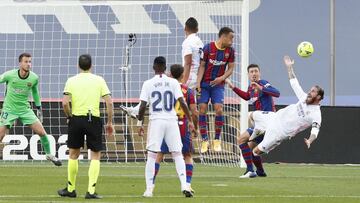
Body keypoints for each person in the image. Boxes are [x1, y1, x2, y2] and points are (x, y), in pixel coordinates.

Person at [120, 17, 202, 118]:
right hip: (195, 76)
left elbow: (188, 63)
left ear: (185, 28)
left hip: (188, 77)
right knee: (167, 84)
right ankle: (136, 109)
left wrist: (183, 82)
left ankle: (137, 110)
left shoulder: (188, 42)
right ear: (197, 29)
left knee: (162, 87)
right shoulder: (199, 42)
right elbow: (199, 63)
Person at [137, 57, 195, 198]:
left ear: (153, 67)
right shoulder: (173, 82)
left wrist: (140, 123)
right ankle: (184, 185)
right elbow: (182, 102)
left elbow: (143, 106)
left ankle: (149, 189)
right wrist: (190, 120)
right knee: (178, 154)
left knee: (152, 155)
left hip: (156, 120)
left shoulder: (148, 83)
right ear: (165, 68)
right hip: (171, 121)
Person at [58, 54, 114, 199]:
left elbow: (64, 102)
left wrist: (69, 117)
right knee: (95, 155)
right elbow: (109, 102)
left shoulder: (71, 80)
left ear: (78, 65)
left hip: (76, 119)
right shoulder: (99, 80)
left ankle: (71, 189)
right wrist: (109, 122)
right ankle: (90, 191)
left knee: (73, 154)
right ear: (91, 65)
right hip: (93, 119)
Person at [250, 55, 323, 158]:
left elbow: (315, 131)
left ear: (319, 97)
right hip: (275, 117)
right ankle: (258, 130)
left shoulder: (316, 115)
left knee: (256, 152)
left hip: (279, 132)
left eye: (313, 92)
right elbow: (294, 82)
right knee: (250, 115)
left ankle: (260, 140)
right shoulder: (304, 97)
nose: (309, 93)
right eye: (310, 90)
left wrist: (310, 140)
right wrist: (289, 67)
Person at [0, 53, 61, 166]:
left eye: (29, 62)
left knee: (42, 132)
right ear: (20, 63)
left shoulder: (34, 78)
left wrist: (38, 107)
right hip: (9, 109)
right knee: (1, 135)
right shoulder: (9, 75)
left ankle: (49, 155)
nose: (28, 64)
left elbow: (35, 92)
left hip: (25, 110)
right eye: (26, 62)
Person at [226, 64, 280, 178]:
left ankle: (250, 170)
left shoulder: (263, 83)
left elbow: (277, 93)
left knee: (241, 140)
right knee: (251, 149)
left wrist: (261, 88)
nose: (254, 73)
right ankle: (260, 171)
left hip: (267, 121)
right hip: (260, 124)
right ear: (248, 74)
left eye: (256, 71)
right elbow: (246, 97)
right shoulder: (251, 87)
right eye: (251, 72)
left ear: (259, 73)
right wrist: (233, 87)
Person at [152, 64, 198, 193]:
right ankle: (187, 184)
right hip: (182, 125)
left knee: (159, 155)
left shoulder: (165, 89)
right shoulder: (188, 91)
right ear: (183, 75)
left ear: (170, 75)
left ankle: (151, 184)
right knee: (187, 155)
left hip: (167, 123)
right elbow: (194, 111)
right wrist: (195, 126)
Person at [196, 27, 235, 153]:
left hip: (218, 85)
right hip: (205, 84)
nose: (232, 40)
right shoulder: (208, 47)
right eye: (231, 37)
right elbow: (202, 66)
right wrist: (198, 83)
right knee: (202, 109)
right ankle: (204, 140)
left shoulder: (230, 51)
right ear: (223, 37)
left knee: (219, 109)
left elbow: (230, 69)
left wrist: (222, 78)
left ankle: (217, 139)